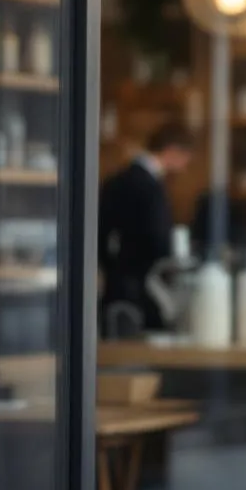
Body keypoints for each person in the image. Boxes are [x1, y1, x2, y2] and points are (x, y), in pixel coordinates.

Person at [97, 121, 194, 336]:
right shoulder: (151, 188)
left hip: (114, 288)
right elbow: (159, 242)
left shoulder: (116, 180)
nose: (185, 167)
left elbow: (101, 235)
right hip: (143, 294)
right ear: (172, 150)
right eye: (185, 158)